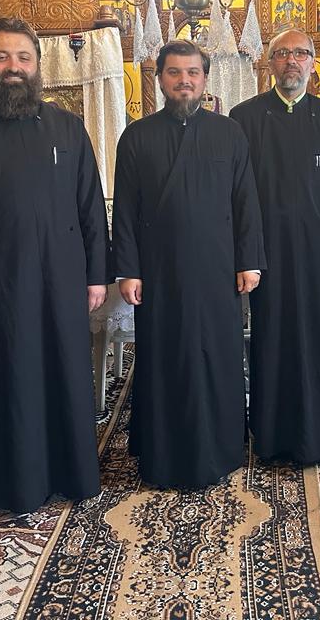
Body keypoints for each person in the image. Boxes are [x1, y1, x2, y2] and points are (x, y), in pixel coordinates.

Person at [0, 17, 109, 511]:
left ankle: (70, 473)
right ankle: (12, 481)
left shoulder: (67, 127)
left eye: (23, 58)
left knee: (62, 371)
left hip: (60, 276)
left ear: (37, 65)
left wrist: (97, 275)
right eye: (2, 57)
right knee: (5, 376)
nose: (13, 67)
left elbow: (90, 208)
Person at [112, 40, 265, 489]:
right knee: (165, 357)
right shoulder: (136, 136)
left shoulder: (229, 133)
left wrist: (249, 260)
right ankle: (163, 452)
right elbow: (126, 209)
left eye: (193, 72)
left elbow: (245, 201)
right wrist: (128, 269)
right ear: (160, 79)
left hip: (217, 270)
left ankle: (220, 448)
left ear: (205, 78)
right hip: (160, 272)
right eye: (175, 72)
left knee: (217, 355)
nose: (184, 81)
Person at [230, 30, 320, 467]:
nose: (292, 61)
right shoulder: (244, 117)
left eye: (301, 53)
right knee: (272, 340)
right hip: (269, 253)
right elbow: (239, 195)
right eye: (282, 53)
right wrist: (245, 253)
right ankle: (271, 437)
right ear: (270, 63)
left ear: (313, 63)